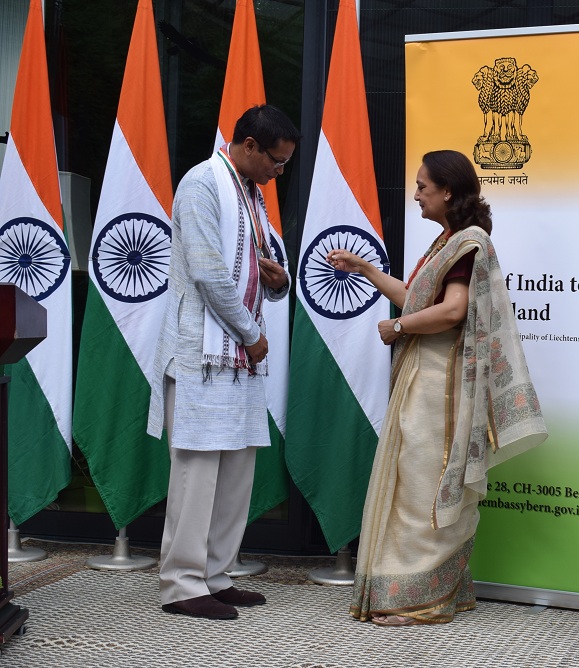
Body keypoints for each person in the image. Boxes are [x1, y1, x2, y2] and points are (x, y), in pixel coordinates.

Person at [328, 150, 547, 627]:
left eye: (422, 187)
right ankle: (431, 590)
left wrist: (399, 328)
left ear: (447, 191)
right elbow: (416, 299)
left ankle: (419, 599)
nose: (416, 195)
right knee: (415, 480)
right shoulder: (446, 242)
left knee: (424, 486)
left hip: (442, 384)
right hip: (425, 376)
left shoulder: (469, 242)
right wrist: (365, 269)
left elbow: (451, 310)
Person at [147, 105, 300, 620]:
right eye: (276, 161)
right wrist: (253, 336)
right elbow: (210, 273)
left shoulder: (252, 194)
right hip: (201, 355)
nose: (279, 172)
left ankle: (215, 574)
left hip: (238, 356)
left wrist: (279, 281)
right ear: (249, 146)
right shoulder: (201, 184)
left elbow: (264, 269)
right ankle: (182, 584)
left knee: (236, 472)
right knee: (197, 473)